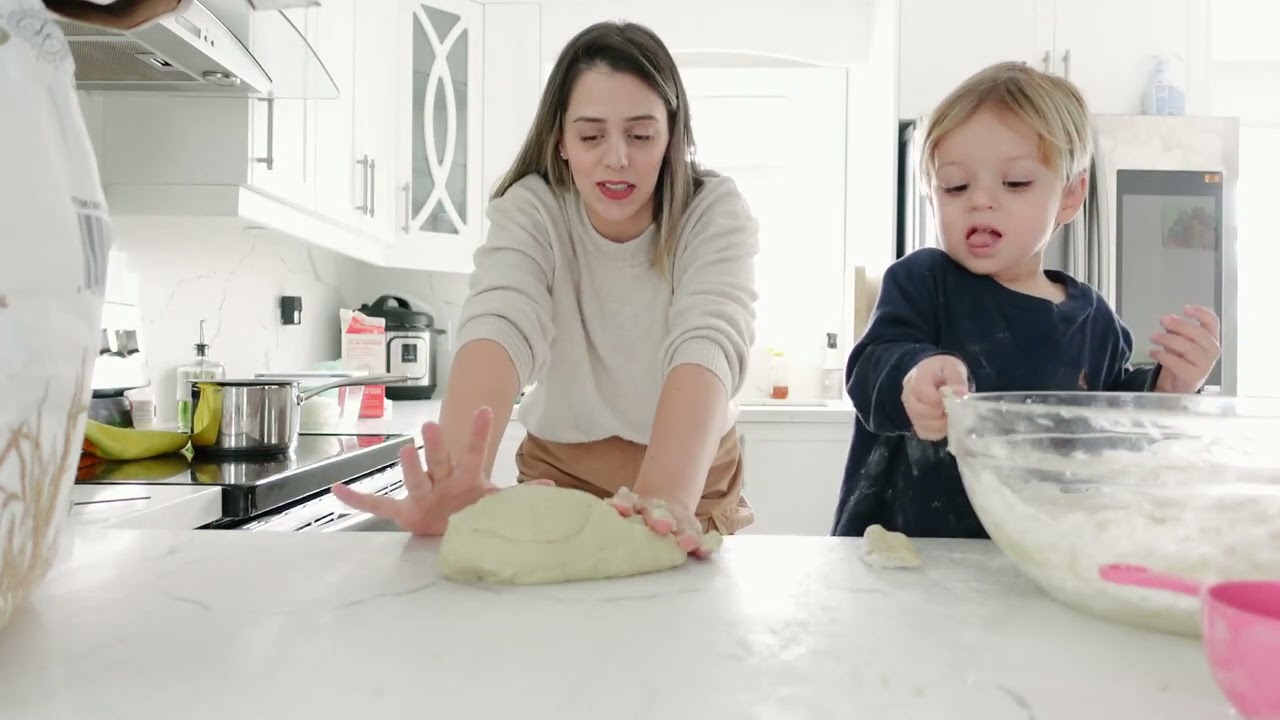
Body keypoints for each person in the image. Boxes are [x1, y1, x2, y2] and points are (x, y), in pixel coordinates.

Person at [334, 21, 760, 558]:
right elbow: (501, 322)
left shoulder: (712, 212)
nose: (616, 158)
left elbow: (708, 341)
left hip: (689, 477)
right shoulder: (532, 210)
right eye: (590, 135)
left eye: (641, 134)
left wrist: (664, 502)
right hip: (562, 474)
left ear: (672, 136)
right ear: (559, 141)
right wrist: (457, 479)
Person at [831, 62, 1221, 540]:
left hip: (1040, 560)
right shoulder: (922, 281)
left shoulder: (1094, 322)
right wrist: (912, 377)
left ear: (1070, 196)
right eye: (955, 186)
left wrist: (1172, 389)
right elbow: (871, 365)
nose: (980, 200)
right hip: (905, 558)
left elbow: (1122, 431)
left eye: (1015, 183)